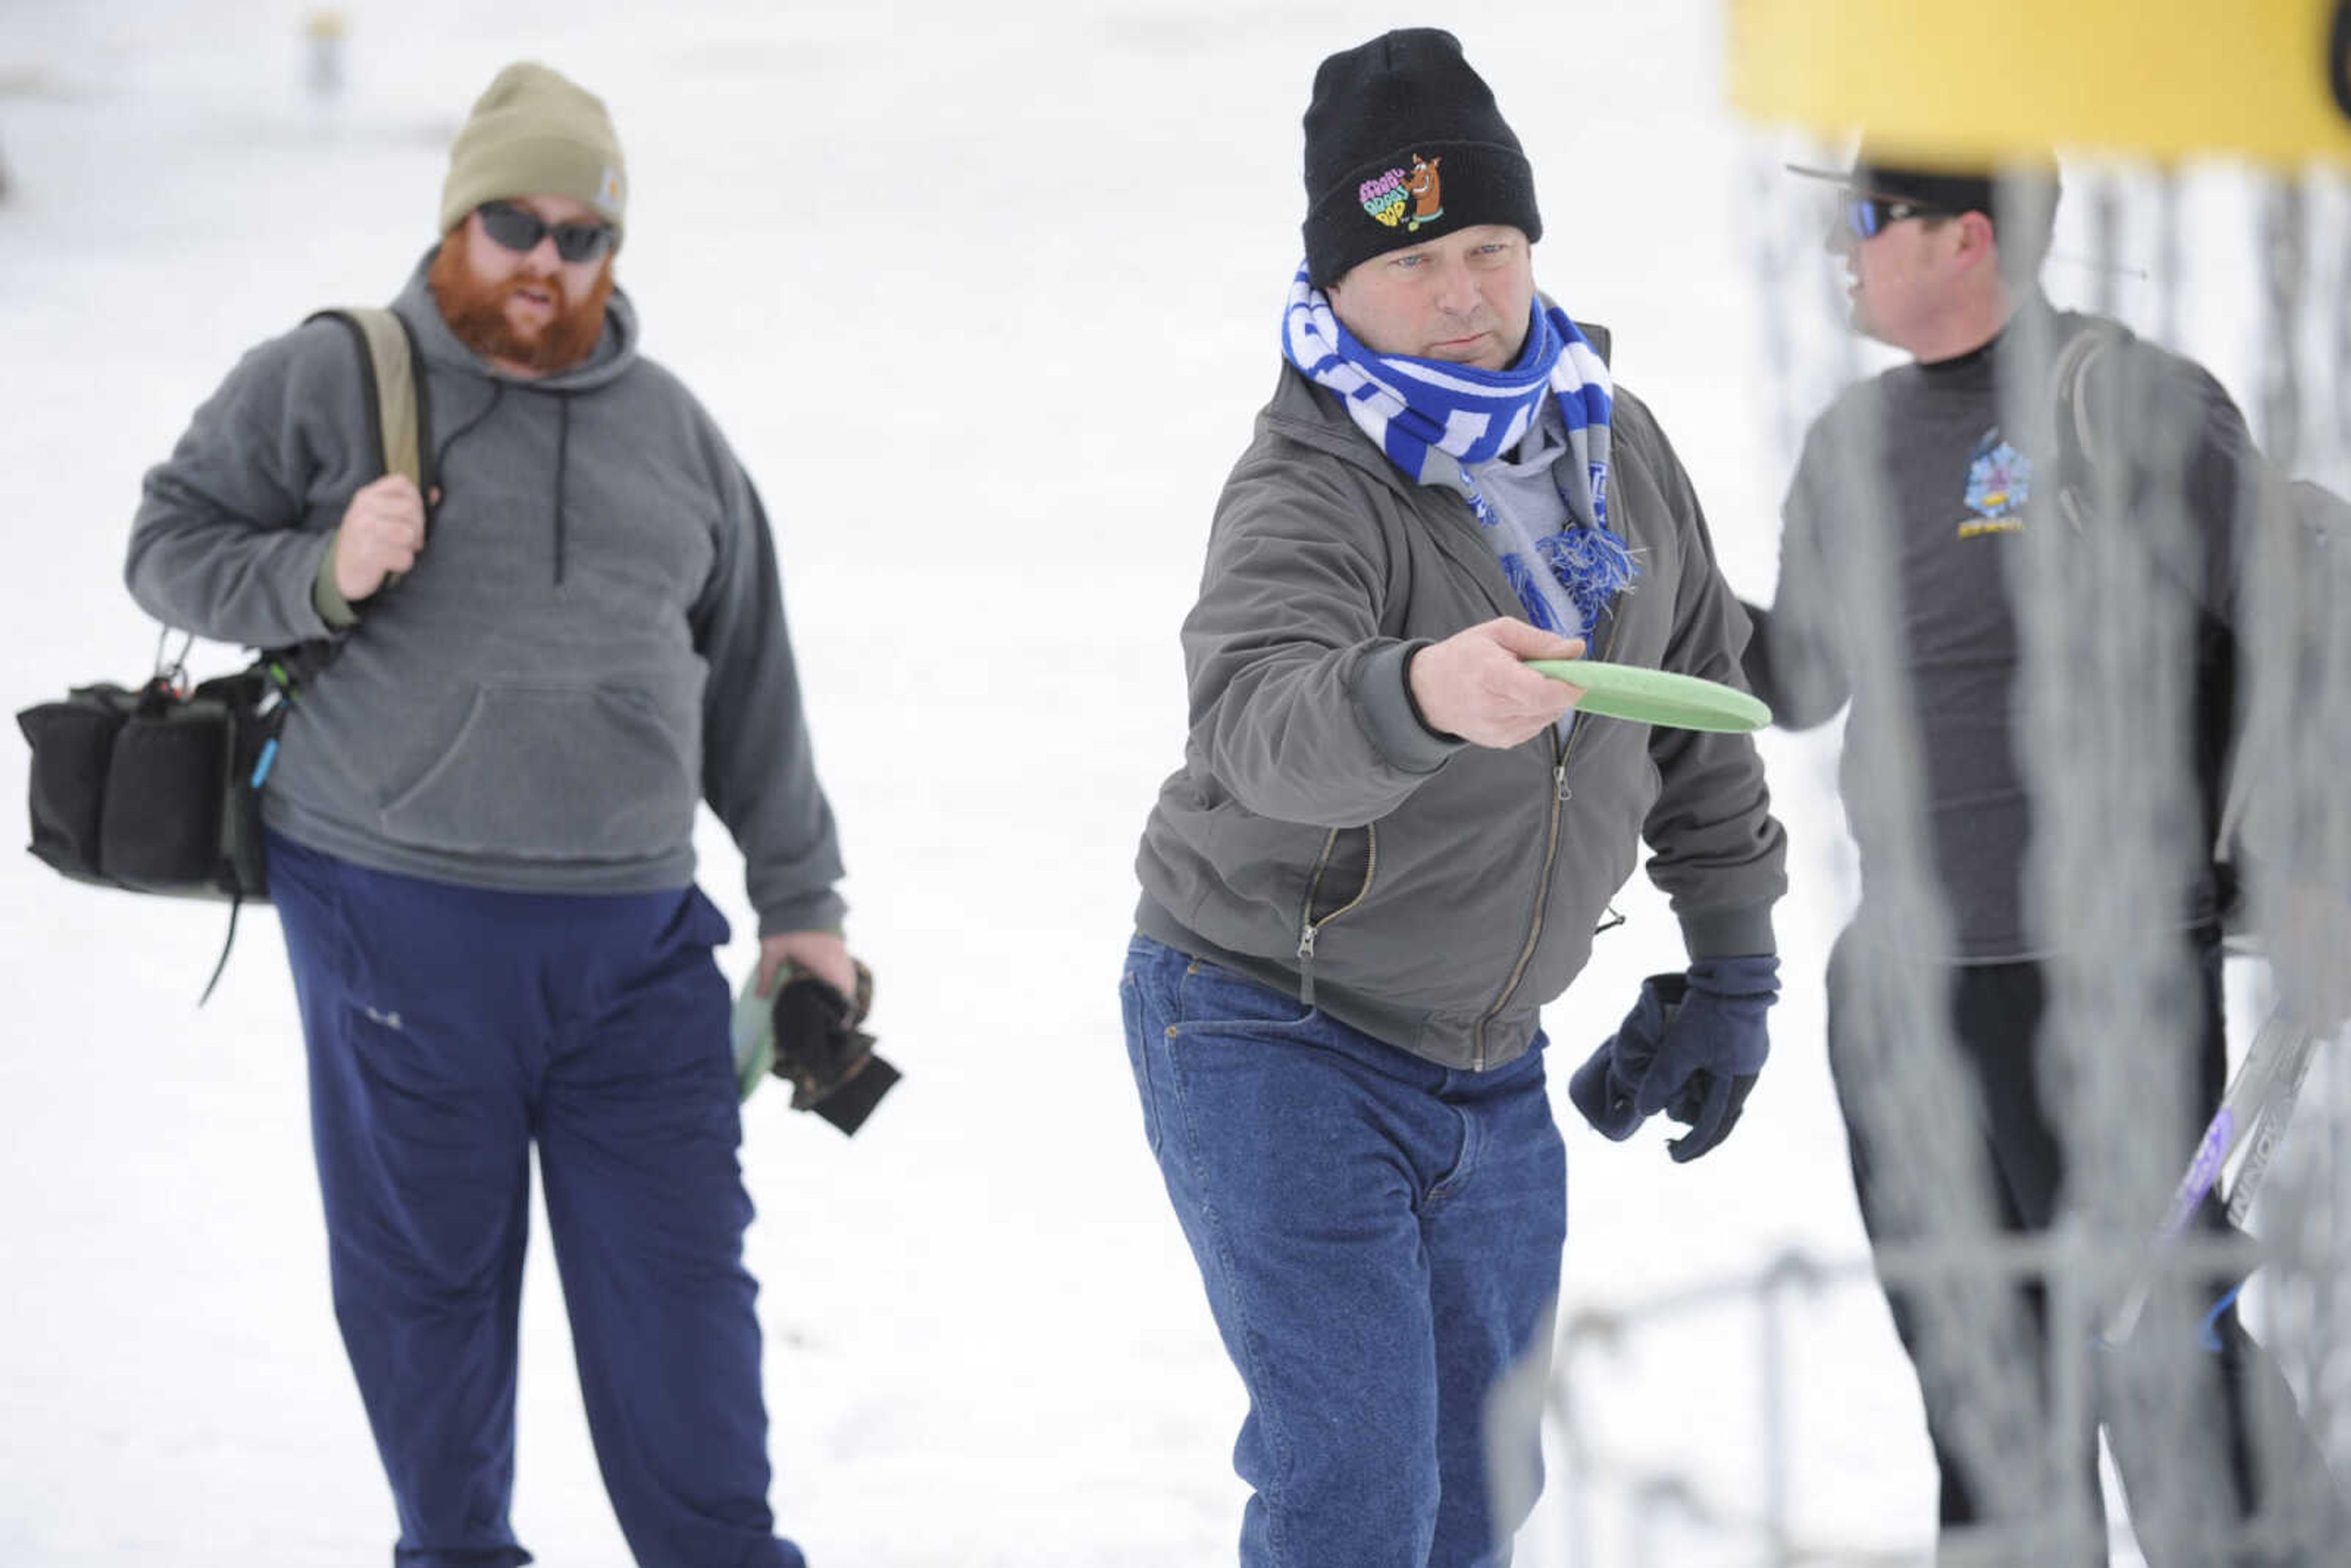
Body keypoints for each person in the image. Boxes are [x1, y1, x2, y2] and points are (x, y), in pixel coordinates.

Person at [123, 61, 849, 1568]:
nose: (543, 262)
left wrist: (805, 910)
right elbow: (167, 544)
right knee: (430, 1302)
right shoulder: (332, 376)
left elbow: (755, 685)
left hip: (637, 946)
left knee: (683, 1302)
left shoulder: (676, 433)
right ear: (458, 219)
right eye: (514, 222)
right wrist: (320, 570)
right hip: (399, 923)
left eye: (581, 236)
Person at [1121, 28, 1788, 1567]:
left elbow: (1697, 702)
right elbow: (1256, 720)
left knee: (1483, 1494)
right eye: (1414, 262)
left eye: (1489, 246)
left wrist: (1734, 964)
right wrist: (1421, 693)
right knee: (1358, 1487)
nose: (1467, 296)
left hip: (1487, 1058)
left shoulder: (1611, 444)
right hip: (1268, 1023)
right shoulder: (1308, 482)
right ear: (1340, 284)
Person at [1744, 147, 2345, 1564]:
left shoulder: (2119, 402)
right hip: (1902, 985)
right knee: (1985, 1399)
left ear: (1967, 238)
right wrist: (1624, 571)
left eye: (1863, 218)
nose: (1836, 244)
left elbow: (2309, 631)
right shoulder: (1853, 442)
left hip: (2107, 973)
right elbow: (1794, 680)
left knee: (2164, 1366)